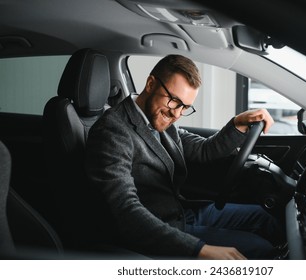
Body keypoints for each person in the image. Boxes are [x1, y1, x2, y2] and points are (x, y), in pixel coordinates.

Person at [85, 54, 283, 260]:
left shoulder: (157, 118)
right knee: (261, 249)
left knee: (265, 218)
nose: (177, 114)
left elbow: (204, 150)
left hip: (179, 212)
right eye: (174, 101)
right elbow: (126, 211)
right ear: (151, 84)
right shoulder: (112, 131)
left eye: (185, 107)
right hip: (155, 228)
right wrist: (198, 249)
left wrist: (238, 123)